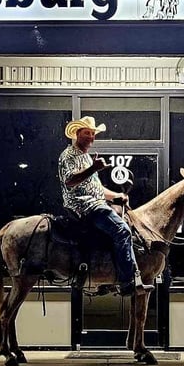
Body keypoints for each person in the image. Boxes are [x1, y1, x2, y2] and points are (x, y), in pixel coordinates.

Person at [57, 116, 153, 296]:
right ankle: (127, 283)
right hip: (84, 206)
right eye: (87, 133)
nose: (91, 137)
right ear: (77, 134)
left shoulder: (85, 157)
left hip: (95, 202)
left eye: (93, 134)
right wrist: (93, 168)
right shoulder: (68, 155)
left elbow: (97, 188)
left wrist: (117, 195)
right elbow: (69, 180)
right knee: (123, 230)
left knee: (123, 224)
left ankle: (110, 276)